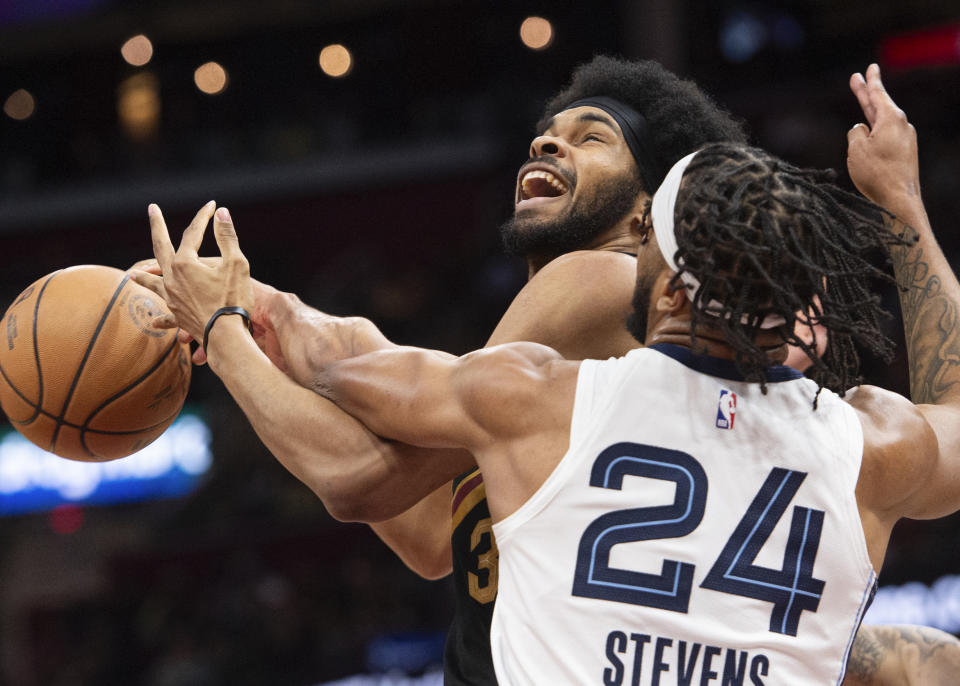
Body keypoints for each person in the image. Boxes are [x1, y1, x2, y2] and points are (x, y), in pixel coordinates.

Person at [130, 62, 954, 684]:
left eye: (593, 137)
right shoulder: (863, 438)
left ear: (651, 229)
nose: (548, 140)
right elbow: (430, 527)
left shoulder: (580, 311)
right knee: (916, 657)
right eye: (548, 132)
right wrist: (901, 203)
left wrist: (232, 324)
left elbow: (376, 473)